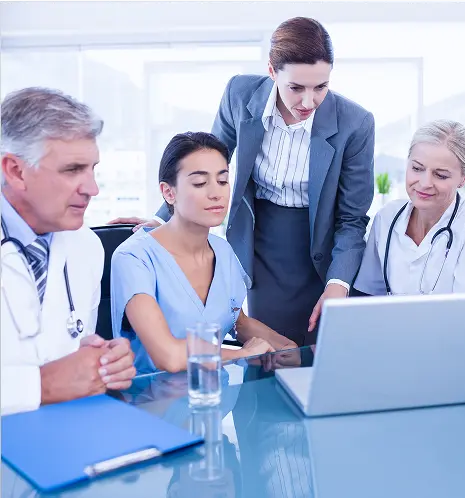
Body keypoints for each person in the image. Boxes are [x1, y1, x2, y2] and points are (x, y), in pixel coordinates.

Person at [109, 17, 375, 346]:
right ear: (272, 71)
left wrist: (338, 283)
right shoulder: (240, 94)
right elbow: (205, 160)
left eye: (320, 87)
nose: (309, 102)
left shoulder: (355, 123)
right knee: (272, 351)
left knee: (323, 351)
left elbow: (352, 219)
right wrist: (165, 218)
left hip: (326, 248)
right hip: (262, 243)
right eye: (296, 88)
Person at [110, 132, 298, 375]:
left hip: (217, 393)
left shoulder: (222, 250)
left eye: (222, 181)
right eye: (200, 183)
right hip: (153, 395)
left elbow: (237, 322)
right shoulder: (133, 258)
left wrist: (286, 346)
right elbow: (168, 356)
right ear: (168, 193)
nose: (216, 193)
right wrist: (241, 355)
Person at [1, 87, 135, 415]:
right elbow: (46, 381)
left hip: (64, 430)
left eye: (92, 168)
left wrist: (100, 361)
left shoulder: (86, 247)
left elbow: (68, 347)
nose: (92, 188)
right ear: (15, 171)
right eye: (72, 170)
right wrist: (40, 386)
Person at [353, 120, 465, 296]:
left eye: (440, 175)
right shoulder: (387, 217)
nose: (425, 183)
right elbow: (369, 296)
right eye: (417, 168)